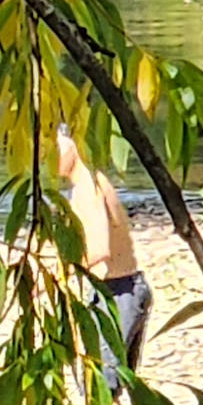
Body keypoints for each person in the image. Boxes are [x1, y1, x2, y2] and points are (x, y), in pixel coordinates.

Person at [49, 125, 150, 390]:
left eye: (55, 147)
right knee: (108, 389)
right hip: (123, 288)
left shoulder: (87, 188)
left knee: (98, 388)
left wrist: (60, 272)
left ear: (74, 145)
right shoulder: (95, 181)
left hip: (119, 293)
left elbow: (100, 249)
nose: (50, 156)